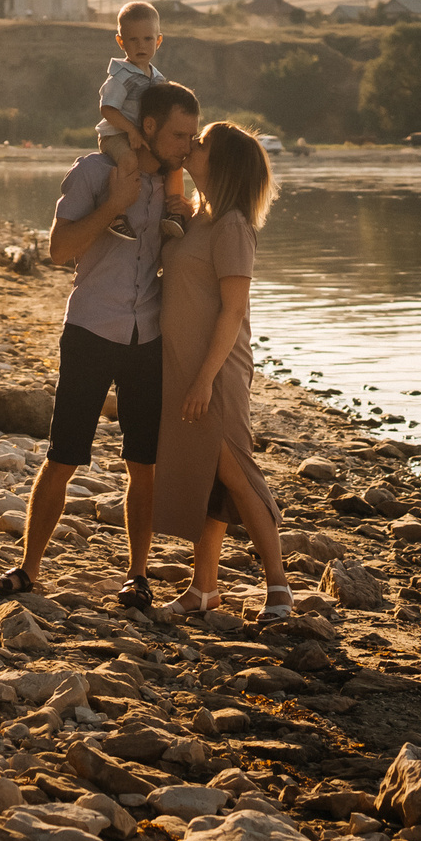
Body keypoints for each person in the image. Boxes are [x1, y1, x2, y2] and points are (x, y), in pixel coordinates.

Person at [0, 80, 202, 599]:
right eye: (178, 136)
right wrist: (113, 207)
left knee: (142, 463)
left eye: (193, 137)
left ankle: (139, 576)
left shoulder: (178, 189)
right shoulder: (93, 173)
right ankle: (28, 570)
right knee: (63, 455)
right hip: (89, 330)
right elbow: (59, 250)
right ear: (147, 127)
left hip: (148, 337)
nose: (187, 147)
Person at [149, 121, 289, 618]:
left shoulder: (231, 225)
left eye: (202, 143)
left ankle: (279, 588)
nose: (192, 146)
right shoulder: (201, 218)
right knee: (211, 476)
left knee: (235, 470)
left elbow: (233, 311)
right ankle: (203, 589)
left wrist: (205, 378)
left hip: (218, 368)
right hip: (185, 364)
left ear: (223, 163)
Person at [96, 1, 186, 242]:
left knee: (173, 164)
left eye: (147, 39)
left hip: (141, 134)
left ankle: (175, 213)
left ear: (158, 41)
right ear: (121, 41)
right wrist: (131, 131)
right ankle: (117, 214)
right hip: (116, 134)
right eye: (133, 40)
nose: (141, 46)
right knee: (128, 160)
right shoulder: (120, 76)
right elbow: (108, 109)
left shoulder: (158, 79)